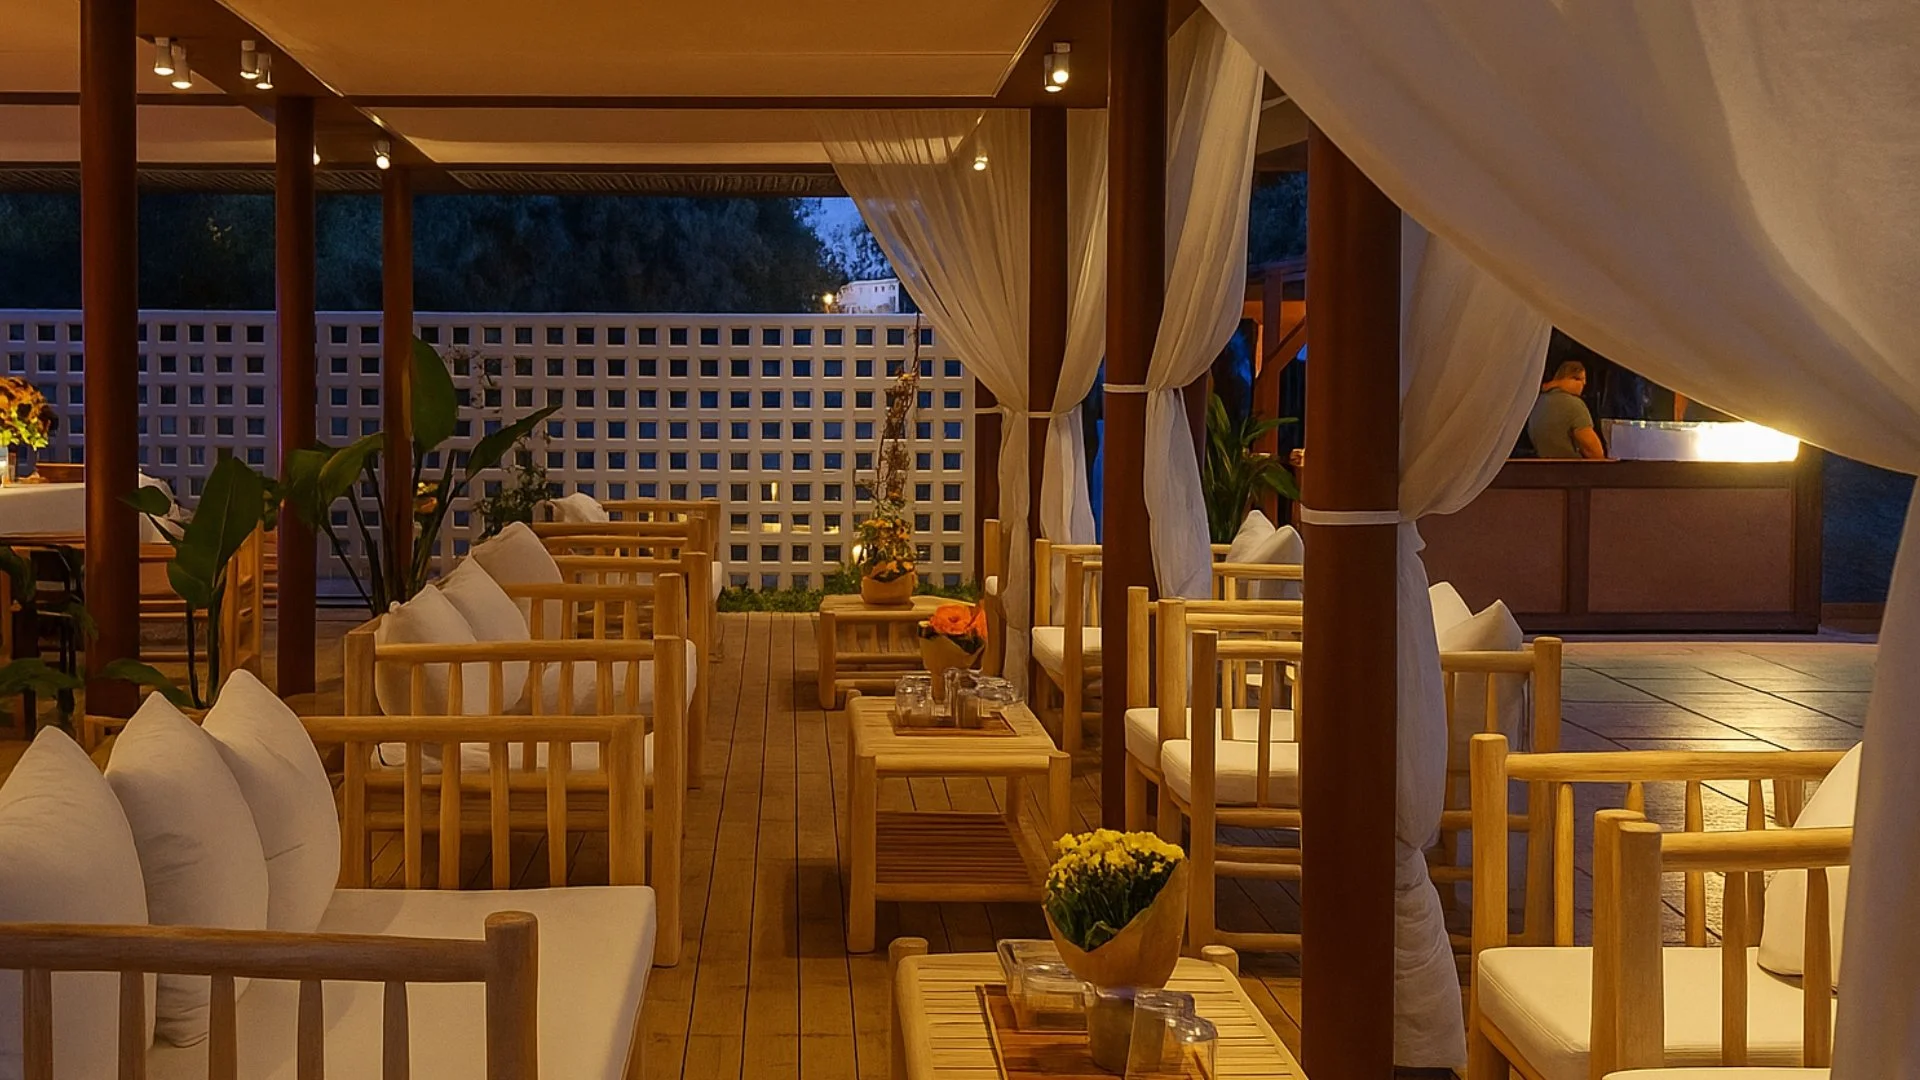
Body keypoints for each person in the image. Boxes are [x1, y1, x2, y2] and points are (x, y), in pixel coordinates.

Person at [1526, 360, 1605, 459]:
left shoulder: (1537, 402)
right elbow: (1592, 449)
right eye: (1582, 380)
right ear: (1572, 379)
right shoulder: (1574, 405)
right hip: (1571, 470)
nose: (1584, 385)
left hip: (1542, 467)